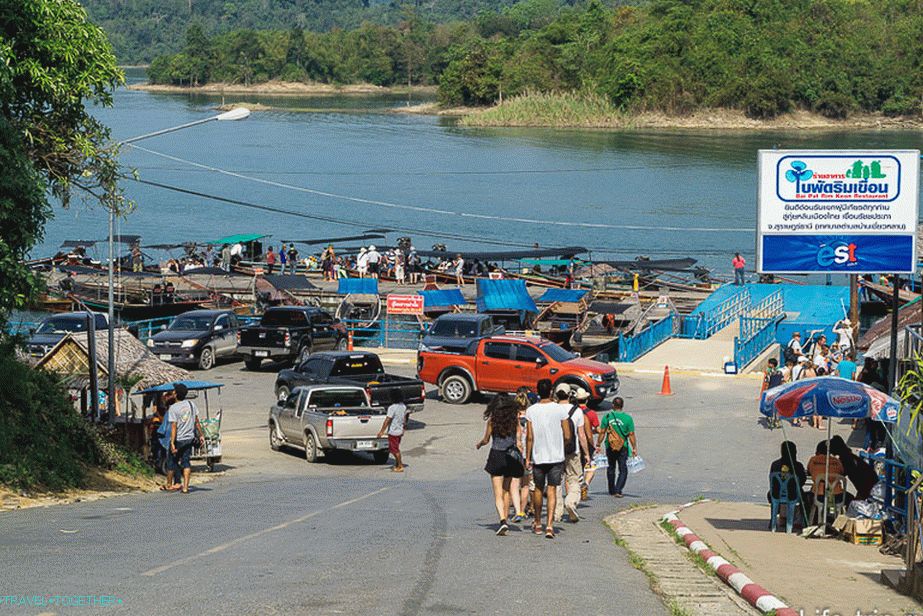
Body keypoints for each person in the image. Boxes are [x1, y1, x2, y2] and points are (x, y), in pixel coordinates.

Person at [525, 379, 573, 539]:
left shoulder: (531, 410)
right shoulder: (560, 410)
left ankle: (538, 523)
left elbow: (529, 437)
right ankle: (550, 525)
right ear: (551, 391)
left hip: (539, 456)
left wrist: (527, 457)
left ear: (538, 391)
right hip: (556, 457)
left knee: (538, 489)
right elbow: (567, 435)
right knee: (552, 490)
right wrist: (560, 445)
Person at [476, 395, 525, 536]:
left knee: (497, 493)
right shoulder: (513, 420)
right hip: (510, 456)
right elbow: (518, 437)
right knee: (506, 490)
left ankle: (502, 520)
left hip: (496, 455)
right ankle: (506, 520)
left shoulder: (492, 421)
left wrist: (480, 444)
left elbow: (486, 439)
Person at [552, 384, 587, 524]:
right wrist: (587, 454)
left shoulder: (553, 410)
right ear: (569, 395)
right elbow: (581, 435)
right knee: (574, 479)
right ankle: (571, 502)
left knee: (556, 482)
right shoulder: (577, 411)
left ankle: (557, 512)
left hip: (555, 450)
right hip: (573, 450)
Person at [167, 383, 204, 494]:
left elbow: (174, 427)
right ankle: (185, 487)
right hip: (189, 438)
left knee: (171, 461)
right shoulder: (191, 404)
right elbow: (196, 421)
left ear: (176, 393)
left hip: (179, 439)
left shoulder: (173, 408)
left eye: (174, 391)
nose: (172, 392)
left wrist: (172, 442)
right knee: (186, 462)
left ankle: (169, 484)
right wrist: (201, 434)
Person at [596, 397, 636, 498]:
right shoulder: (628, 418)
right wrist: (634, 447)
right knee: (623, 469)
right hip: (623, 446)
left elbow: (602, 432)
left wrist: (598, 444)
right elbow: (631, 434)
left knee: (611, 467)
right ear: (622, 406)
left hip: (610, 445)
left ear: (613, 405)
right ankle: (618, 490)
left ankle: (611, 489)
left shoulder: (608, 416)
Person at [766, 441, 808, 525]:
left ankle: (775, 516)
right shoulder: (798, 465)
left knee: (770, 495)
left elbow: (771, 480)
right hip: (794, 494)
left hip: (775, 494)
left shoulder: (775, 464)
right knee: (806, 498)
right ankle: (805, 521)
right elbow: (803, 480)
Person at [829, 435, 878, 500]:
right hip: (868, 481)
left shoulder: (845, 459)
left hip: (866, 484)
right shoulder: (849, 456)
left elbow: (840, 473)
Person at [573, 388, 598, 500]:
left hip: (574, 443)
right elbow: (595, 431)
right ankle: (586, 483)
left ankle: (576, 489)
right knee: (590, 467)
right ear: (587, 400)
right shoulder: (591, 414)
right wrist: (593, 446)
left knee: (576, 468)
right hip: (586, 444)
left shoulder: (572, 412)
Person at [377, 389, 409, 472]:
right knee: (395, 448)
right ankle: (397, 464)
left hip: (393, 432)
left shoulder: (392, 408)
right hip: (399, 431)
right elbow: (405, 419)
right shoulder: (403, 406)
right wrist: (403, 429)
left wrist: (381, 431)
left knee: (394, 450)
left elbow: (387, 420)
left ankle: (400, 465)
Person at [807, 441, 847, 505]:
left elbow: (809, 472)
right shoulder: (837, 461)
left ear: (818, 451)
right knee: (850, 497)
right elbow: (842, 472)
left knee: (806, 497)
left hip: (818, 495)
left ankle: (813, 514)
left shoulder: (813, 460)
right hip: (836, 496)